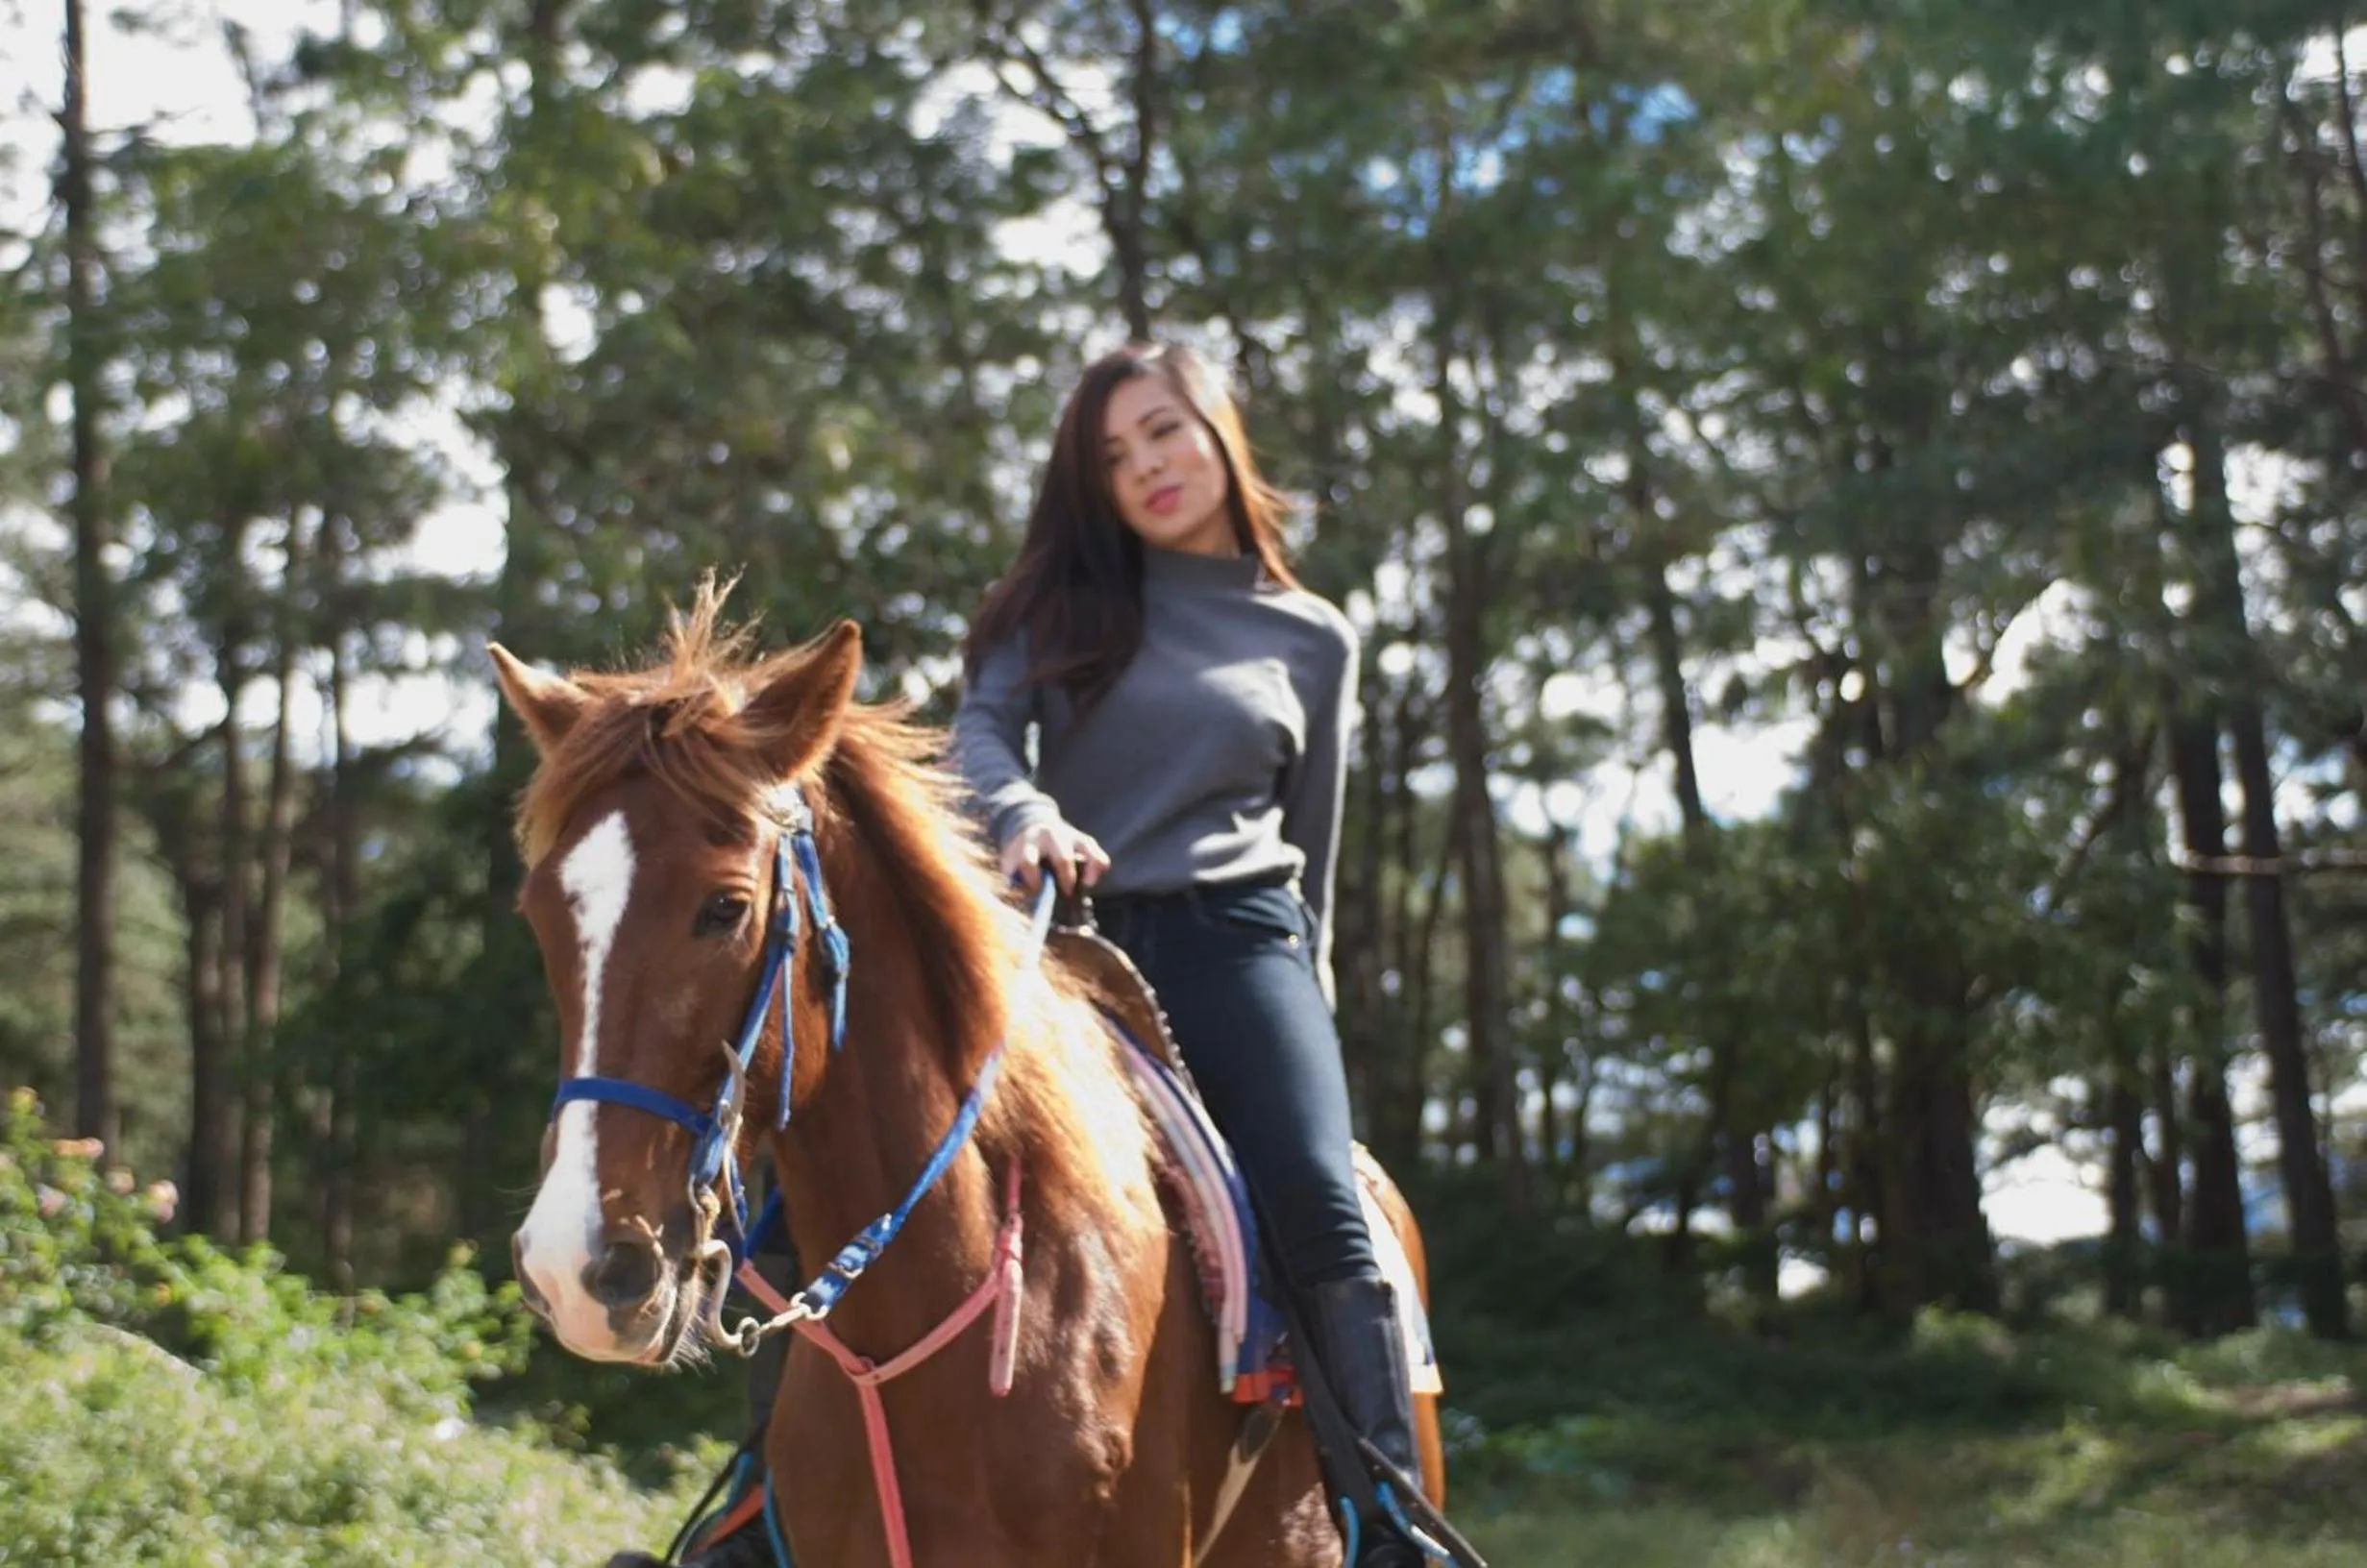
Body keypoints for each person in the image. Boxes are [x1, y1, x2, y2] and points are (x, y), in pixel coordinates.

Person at [949, 340, 1424, 1566]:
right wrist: (1025, 814)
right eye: (1114, 454)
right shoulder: (1052, 607)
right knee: (862, 1151)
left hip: (1236, 939)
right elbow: (981, 735)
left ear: (1218, 433)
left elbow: (1307, 852)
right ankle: (749, 1516)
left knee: (1324, 1196)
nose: (1146, 465)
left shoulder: (1314, 637)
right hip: (1070, 946)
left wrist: (1296, 1025)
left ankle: (1390, 1521)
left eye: (1164, 431)